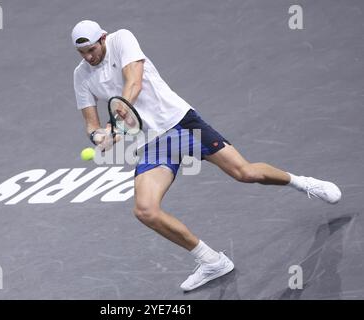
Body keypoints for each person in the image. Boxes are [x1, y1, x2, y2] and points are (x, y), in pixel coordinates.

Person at [71, 20, 342, 291]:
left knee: (245, 173)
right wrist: (99, 136)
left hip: (181, 124)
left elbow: (134, 83)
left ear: (103, 39)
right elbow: (90, 124)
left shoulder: (122, 40)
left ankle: (304, 183)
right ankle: (212, 261)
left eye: (92, 49)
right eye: (82, 53)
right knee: (145, 211)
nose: (88, 57)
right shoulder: (81, 75)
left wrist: (116, 121)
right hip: (153, 144)